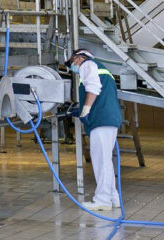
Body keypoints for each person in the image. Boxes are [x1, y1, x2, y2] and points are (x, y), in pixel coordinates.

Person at [66, 48, 122, 211]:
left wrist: (85, 110)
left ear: (78, 58)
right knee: (105, 160)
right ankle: (113, 198)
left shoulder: (87, 65)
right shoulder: (101, 68)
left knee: (101, 161)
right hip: (109, 118)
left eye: (72, 63)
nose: (72, 67)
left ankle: (102, 200)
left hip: (101, 118)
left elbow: (93, 88)